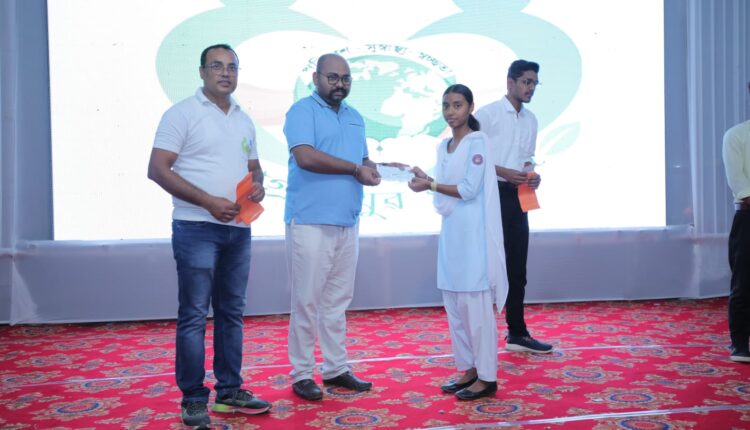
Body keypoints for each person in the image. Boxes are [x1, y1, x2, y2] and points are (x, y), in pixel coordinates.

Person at [147, 44, 271, 427]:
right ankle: (193, 398)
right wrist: (207, 202)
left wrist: (258, 184)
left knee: (232, 313)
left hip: (238, 228)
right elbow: (157, 169)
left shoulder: (244, 119)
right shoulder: (181, 113)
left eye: (232, 66)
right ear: (202, 72)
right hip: (196, 227)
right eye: (217, 66)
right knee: (194, 315)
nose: (225, 72)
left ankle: (229, 390)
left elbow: (254, 166)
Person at [283, 53, 403, 401]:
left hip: (347, 220)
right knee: (307, 301)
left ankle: (335, 368)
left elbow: (361, 160)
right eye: (332, 77)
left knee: (337, 301)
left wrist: (384, 168)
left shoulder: (355, 116)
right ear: (316, 78)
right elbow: (305, 156)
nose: (339, 84)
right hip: (310, 220)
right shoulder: (302, 111)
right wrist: (355, 169)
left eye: (345, 79)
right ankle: (302, 373)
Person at [409, 84, 508, 400]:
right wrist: (425, 180)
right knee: (455, 308)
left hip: (473, 237)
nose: (450, 112)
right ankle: (468, 369)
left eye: (457, 105)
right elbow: (443, 185)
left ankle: (487, 377)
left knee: (476, 311)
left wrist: (431, 185)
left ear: (470, 107)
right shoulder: (443, 146)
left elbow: (467, 189)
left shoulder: (478, 141)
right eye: (446, 105)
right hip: (451, 234)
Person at [474, 59, 553, 354]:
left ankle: (517, 333)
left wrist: (532, 175)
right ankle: (478, 334)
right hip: (490, 193)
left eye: (535, 83)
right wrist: (503, 172)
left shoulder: (531, 120)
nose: (531, 88)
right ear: (510, 83)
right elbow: (472, 156)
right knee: (486, 266)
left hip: (519, 195)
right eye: (526, 82)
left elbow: (526, 159)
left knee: (517, 266)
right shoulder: (488, 114)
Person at [722, 81, 750, 363]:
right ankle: (740, 344)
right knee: (744, 283)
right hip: (748, 218)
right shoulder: (737, 135)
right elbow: (741, 186)